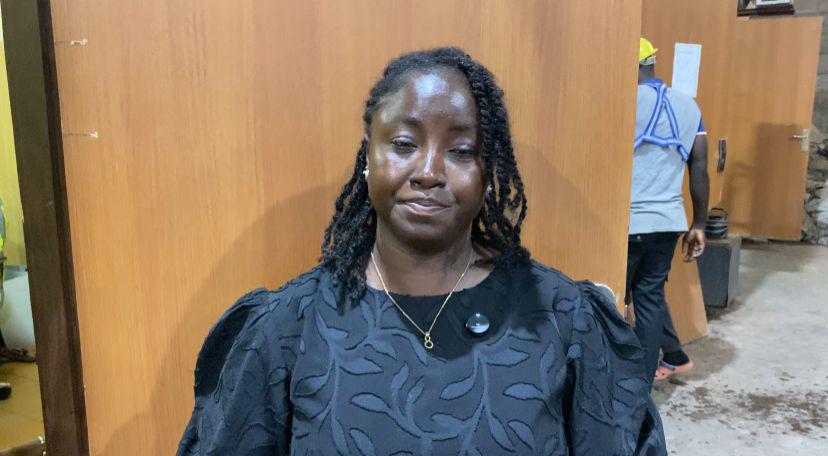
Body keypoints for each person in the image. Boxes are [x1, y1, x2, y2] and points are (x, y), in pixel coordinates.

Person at [178, 47, 666, 455]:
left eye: (461, 151)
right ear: (368, 156)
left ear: (487, 173)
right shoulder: (288, 327)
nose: (429, 172)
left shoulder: (563, 319)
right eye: (404, 143)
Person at [626, 38, 709, 385]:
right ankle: (642, 384)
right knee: (649, 301)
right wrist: (699, 224)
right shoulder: (689, 106)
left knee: (610, 301)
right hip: (668, 222)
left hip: (628, 221)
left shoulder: (624, 101)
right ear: (651, 62)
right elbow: (699, 166)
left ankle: (615, 380)